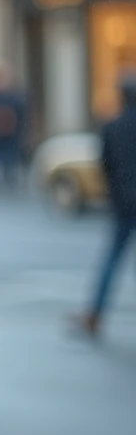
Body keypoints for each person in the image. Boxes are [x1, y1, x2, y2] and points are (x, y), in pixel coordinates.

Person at [76, 74, 136, 337]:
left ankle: (95, 314)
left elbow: (104, 164)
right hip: (125, 199)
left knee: (112, 259)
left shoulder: (113, 126)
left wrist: (114, 192)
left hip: (123, 202)